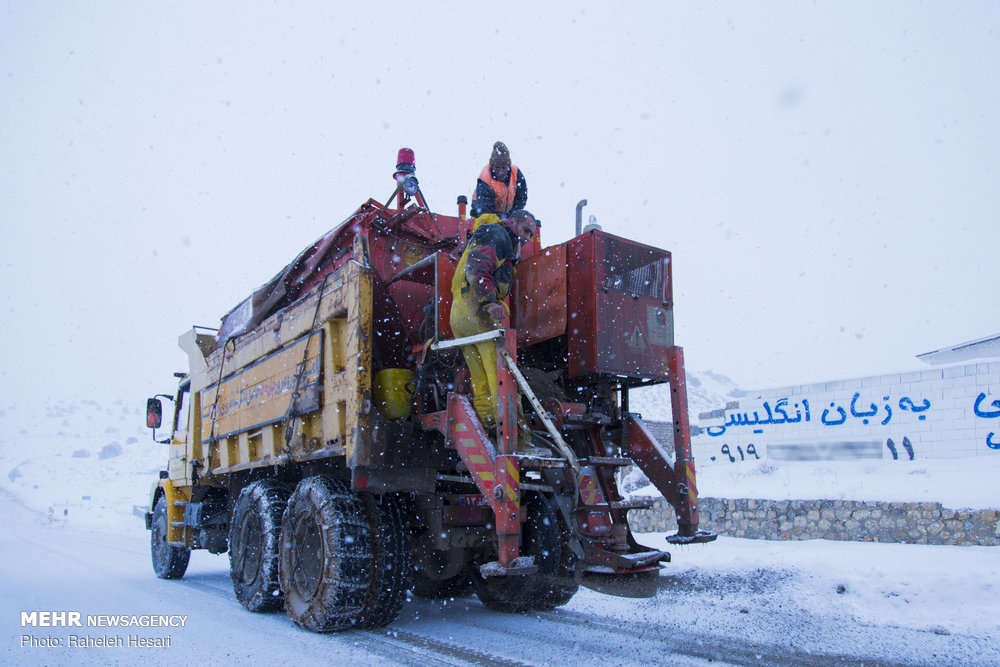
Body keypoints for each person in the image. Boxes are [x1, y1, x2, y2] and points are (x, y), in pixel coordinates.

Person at [450, 210, 541, 454]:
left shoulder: (486, 234)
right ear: (513, 223)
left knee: (481, 382)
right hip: (477, 312)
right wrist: (489, 301)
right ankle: (518, 442)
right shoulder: (497, 234)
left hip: (459, 316)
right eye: (525, 231)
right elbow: (478, 268)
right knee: (504, 379)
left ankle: (491, 433)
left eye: (531, 234)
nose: (528, 238)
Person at [471, 142, 527, 218]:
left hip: (506, 213)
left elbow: (521, 198)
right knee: (487, 222)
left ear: (508, 166)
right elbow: (485, 209)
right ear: (492, 165)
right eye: (497, 167)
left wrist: (512, 216)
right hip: (481, 211)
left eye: (503, 168)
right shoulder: (485, 178)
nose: (500, 172)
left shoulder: (516, 174)